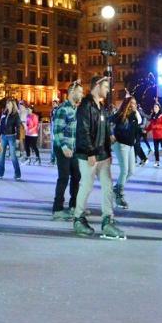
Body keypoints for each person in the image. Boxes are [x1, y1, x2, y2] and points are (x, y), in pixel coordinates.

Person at [72, 75, 125, 239]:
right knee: (86, 186)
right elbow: (83, 131)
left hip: (103, 155)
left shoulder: (100, 107)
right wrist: (90, 152)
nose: (108, 90)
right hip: (89, 155)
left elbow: (103, 128)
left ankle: (107, 221)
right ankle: (78, 218)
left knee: (108, 187)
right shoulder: (85, 106)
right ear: (97, 86)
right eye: (106, 87)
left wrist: (108, 146)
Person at [51, 81, 83, 220]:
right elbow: (57, 131)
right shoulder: (63, 109)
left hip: (74, 149)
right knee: (63, 177)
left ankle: (74, 206)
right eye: (80, 92)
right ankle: (57, 209)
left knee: (76, 176)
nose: (82, 94)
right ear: (72, 92)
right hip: (63, 148)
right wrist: (64, 147)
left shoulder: (76, 109)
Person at [109, 95, 140, 210]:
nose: (134, 105)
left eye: (135, 103)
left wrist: (137, 137)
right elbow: (108, 122)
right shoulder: (120, 115)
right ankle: (119, 195)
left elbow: (137, 127)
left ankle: (116, 188)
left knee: (131, 171)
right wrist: (111, 135)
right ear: (127, 104)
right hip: (121, 144)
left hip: (130, 145)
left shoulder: (134, 115)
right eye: (132, 103)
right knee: (124, 170)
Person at [0, 98, 22, 181]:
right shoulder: (4, 113)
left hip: (11, 137)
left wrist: (17, 138)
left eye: (9, 104)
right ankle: (0, 172)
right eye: (7, 104)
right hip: (3, 136)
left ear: (13, 105)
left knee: (13, 156)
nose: (8, 105)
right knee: (1, 155)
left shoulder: (15, 115)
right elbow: (1, 126)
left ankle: (17, 174)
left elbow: (18, 127)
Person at [145, 103, 162, 168]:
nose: (155, 108)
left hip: (161, 135)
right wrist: (146, 130)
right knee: (156, 149)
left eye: (156, 107)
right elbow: (151, 125)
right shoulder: (153, 116)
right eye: (154, 107)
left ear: (159, 108)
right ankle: (157, 162)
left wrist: (155, 126)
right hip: (155, 136)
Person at [49, 99, 60, 166]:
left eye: (54, 103)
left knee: (54, 146)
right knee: (53, 146)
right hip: (53, 128)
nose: (53, 105)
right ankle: (53, 159)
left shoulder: (56, 110)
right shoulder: (53, 110)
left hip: (55, 129)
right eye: (52, 103)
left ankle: (54, 159)